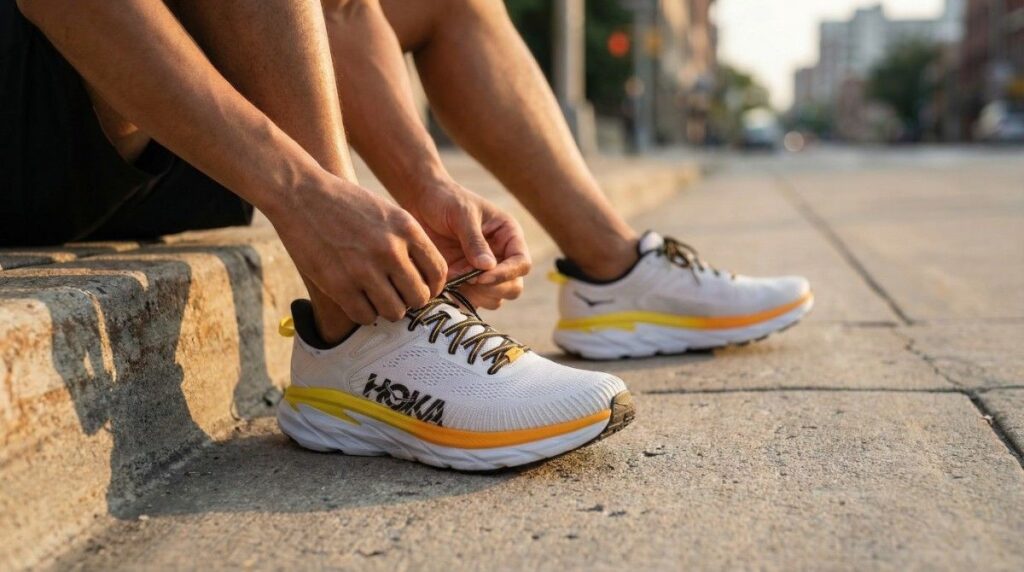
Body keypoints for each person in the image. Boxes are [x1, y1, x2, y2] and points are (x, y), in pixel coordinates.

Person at [2, 0, 810, 470]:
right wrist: (304, 193)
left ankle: (614, 269)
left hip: (166, 120)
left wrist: (427, 187)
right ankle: (357, 329)